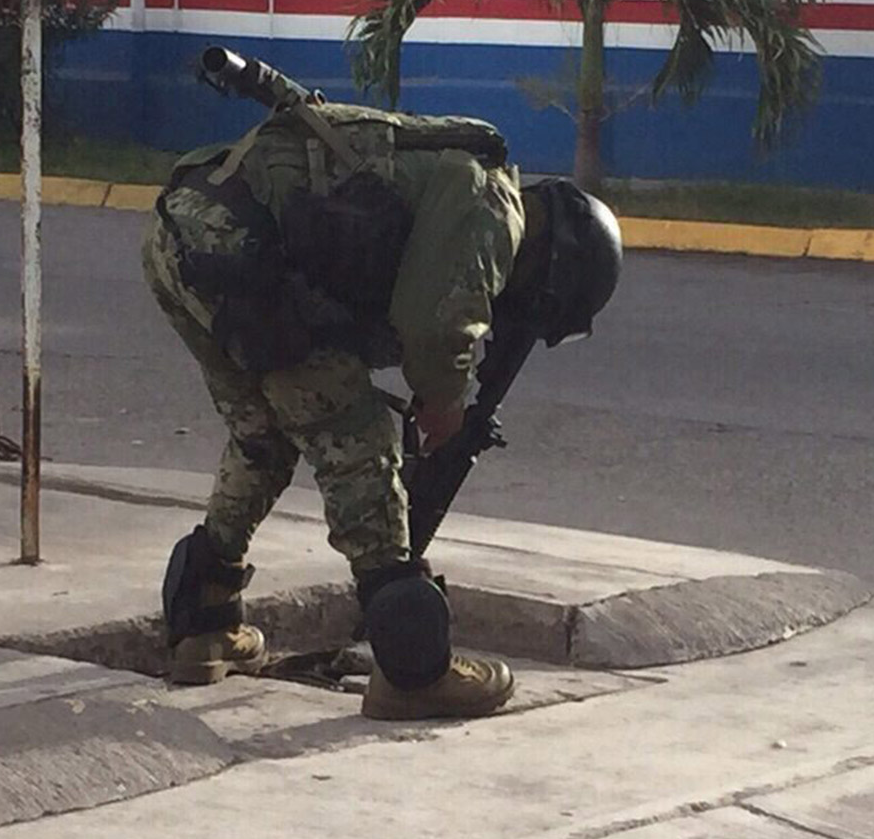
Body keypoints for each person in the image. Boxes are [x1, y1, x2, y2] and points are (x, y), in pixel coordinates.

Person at [142, 84, 621, 721]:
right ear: (555, 271)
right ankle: (412, 668)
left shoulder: (456, 177)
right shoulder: (493, 208)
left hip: (184, 233)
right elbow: (435, 328)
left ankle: (204, 622)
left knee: (264, 433)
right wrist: (444, 403)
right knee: (355, 440)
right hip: (248, 254)